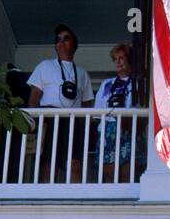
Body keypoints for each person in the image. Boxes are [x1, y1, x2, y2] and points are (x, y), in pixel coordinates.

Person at [26, 24, 94, 182]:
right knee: (50, 162)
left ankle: (76, 201)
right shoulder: (45, 66)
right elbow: (34, 97)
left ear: (74, 45)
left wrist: (86, 129)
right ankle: (45, 201)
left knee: (74, 163)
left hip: (73, 121)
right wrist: (35, 123)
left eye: (66, 38)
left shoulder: (82, 73)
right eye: (57, 40)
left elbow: (87, 104)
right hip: (50, 119)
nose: (61, 42)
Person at [94, 42, 137, 182]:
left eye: (121, 58)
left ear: (130, 60)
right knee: (109, 173)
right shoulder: (107, 83)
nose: (117, 62)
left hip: (129, 128)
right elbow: (97, 112)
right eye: (115, 59)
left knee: (127, 173)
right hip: (109, 129)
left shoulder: (138, 83)